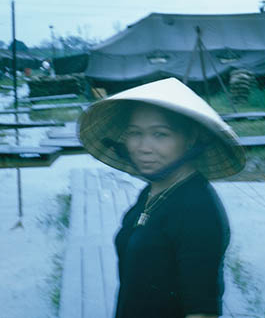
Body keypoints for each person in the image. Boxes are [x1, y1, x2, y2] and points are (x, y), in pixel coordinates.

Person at [77, 77, 245, 318]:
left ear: (190, 138)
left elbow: (202, 311)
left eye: (160, 134)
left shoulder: (198, 210)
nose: (144, 147)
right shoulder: (152, 190)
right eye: (135, 133)